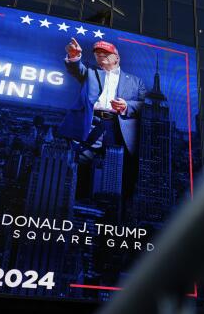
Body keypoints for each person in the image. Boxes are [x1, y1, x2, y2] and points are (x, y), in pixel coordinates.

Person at [58, 38, 146, 206]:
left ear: (117, 57)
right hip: (92, 123)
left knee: (119, 169)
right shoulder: (90, 72)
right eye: (98, 53)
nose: (100, 55)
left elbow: (145, 104)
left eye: (105, 53)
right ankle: (73, 202)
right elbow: (76, 69)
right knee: (81, 163)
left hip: (118, 127)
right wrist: (74, 56)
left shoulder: (136, 81)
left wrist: (127, 105)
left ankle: (114, 209)